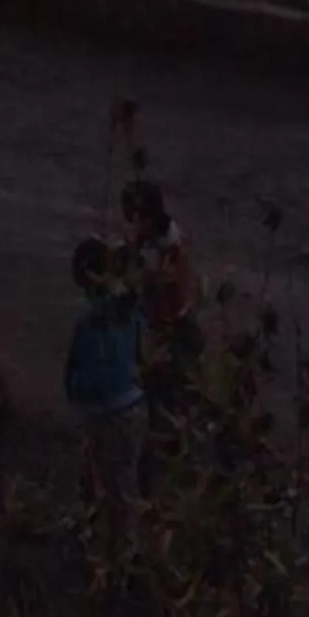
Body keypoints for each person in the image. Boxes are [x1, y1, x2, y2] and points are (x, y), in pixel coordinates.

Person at [65, 238, 144, 566]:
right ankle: (121, 550)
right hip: (133, 403)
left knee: (110, 486)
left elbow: (90, 371)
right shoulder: (127, 308)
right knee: (122, 482)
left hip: (105, 410)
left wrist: (75, 388)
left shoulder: (89, 318)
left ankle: (116, 558)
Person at [122, 178, 202, 432]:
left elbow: (175, 298)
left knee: (170, 401)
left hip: (172, 334)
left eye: (135, 218)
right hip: (160, 330)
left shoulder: (170, 250)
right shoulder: (153, 241)